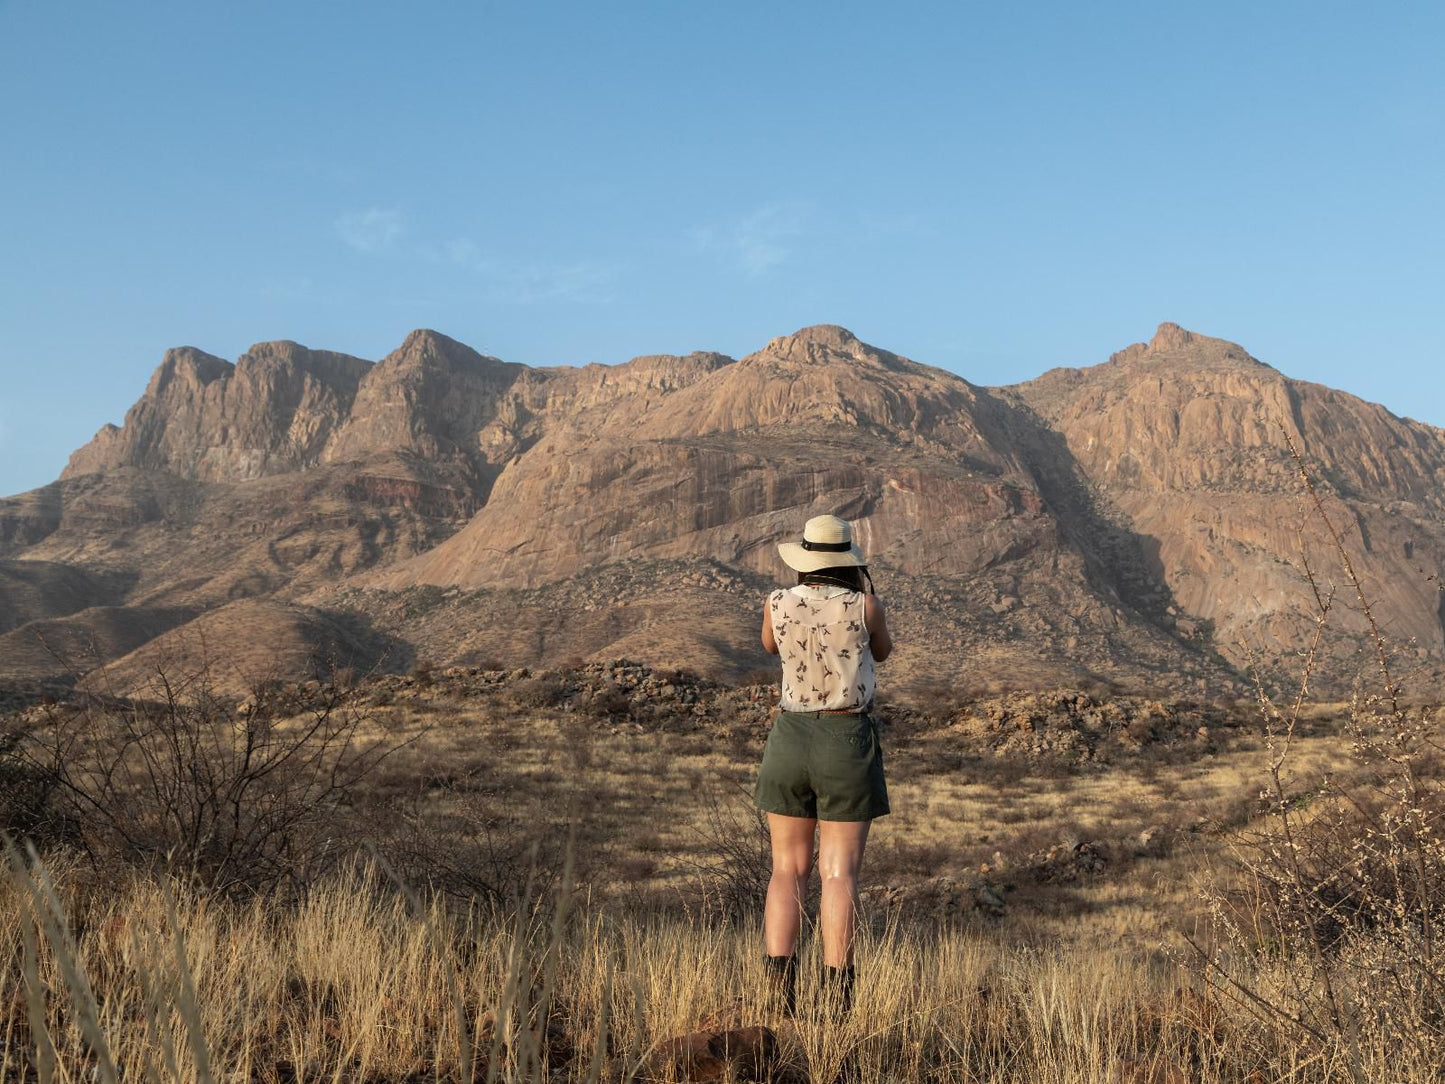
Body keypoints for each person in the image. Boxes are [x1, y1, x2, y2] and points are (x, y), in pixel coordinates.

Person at [754, 514, 893, 1018]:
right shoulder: (866, 606)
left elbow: (771, 647)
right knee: (839, 875)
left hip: (790, 736)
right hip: (846, 737)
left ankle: (778, 997)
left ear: (806, 559)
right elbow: (883, 651)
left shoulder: (776, 602)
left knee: (786, 871)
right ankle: (836, 1001)